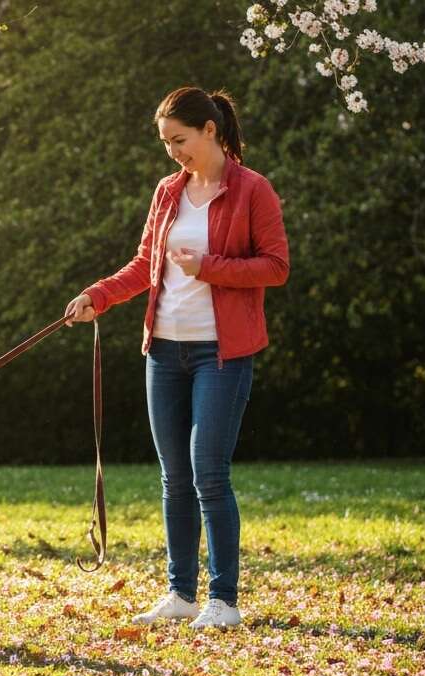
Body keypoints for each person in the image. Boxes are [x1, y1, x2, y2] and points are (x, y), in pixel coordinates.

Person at [65, 86, 289, 629]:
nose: (173, 152)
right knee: (173, 478)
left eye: (180, 140)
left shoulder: (253, 190)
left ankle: (224, 600)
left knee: (208, 473)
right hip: (163, 351)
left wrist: (209, 266)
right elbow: (145, 264)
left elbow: (275, 267)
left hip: (222, 353)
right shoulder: (168, 192)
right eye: (166, 143)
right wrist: (98, 295)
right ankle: (181, 594)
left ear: (210, 131)